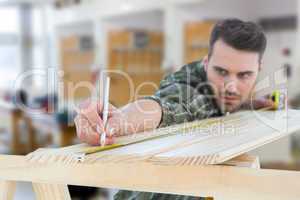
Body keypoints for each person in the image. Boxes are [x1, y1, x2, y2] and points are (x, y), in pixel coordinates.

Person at [75, 18, 275, 200]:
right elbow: (168, 104)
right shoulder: (190, 90)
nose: (231, 86)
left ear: (259, 68)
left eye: (244, 75)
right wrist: (119, 120)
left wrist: (251, 103)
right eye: (222, 71)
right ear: (206, 63)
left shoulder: (226, 92)